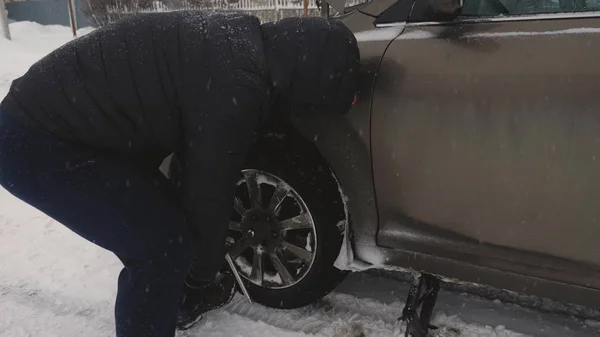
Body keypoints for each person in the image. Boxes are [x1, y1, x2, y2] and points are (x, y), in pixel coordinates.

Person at [0, 10, 360, 337]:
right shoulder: (237, 86)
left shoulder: (244, 41)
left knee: (167, 225)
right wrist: (202, 274)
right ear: (310, 78)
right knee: (159, 248)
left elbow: (194, 169)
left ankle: (173, 302)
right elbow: (209, 191)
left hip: (65, 123)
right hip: (36, 142)